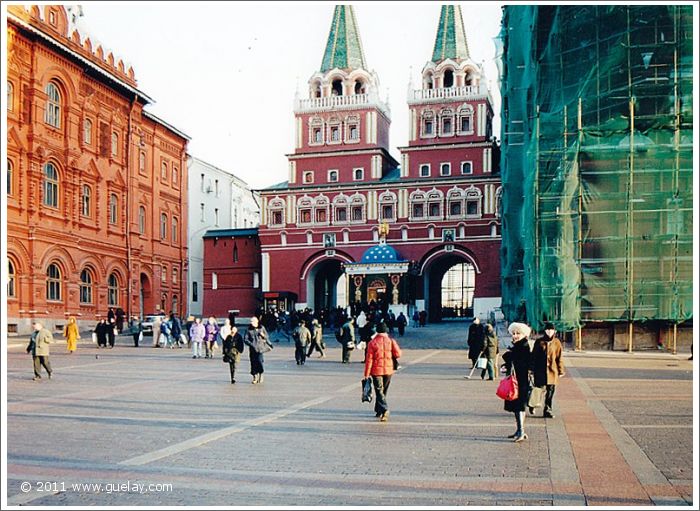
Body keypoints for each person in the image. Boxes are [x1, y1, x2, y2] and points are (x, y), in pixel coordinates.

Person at [363, 322, 402, 422]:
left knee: (379, 391)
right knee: (383, 391)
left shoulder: (372, 342)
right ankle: (378, 410)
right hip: (389, 370)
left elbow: (369, 360)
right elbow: (398, 354)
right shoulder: (391, 341)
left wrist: (366, 374)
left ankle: (384, 409)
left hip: (376, 371)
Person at [501, 322, 533, 442]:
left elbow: (523, 364)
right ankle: (519, 430)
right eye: (513, 333)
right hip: (515, 380)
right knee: (515, 406)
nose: (515, 335)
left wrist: (510, 357)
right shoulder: (517, 346)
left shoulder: (523, 347)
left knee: (519, 406)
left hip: (521, 381)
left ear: (524, 334)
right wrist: (506, 364)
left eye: (517, 333)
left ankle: (522, 430)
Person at [531, 322, 565, 419]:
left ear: (554, 331)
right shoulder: (539, 342)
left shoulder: (557, 343)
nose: (549, 332)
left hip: (552, 371)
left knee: (550, 391)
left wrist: (560, 370)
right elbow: (534, 356)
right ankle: (533, 404)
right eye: (548, 330)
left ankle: (547, 409)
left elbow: (559, 357)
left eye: (551, 330)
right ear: (545, 331)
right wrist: (531, 368)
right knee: (538, 390)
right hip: (540, 370)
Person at [244, 316, 273, 384]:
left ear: (257, 322)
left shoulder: (261, 328)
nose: (251, 323)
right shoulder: (248, 329)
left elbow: (267, 336)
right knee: (253, 363)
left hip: (260, 349)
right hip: (253, 349)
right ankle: (255, 376)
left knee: (260, 362)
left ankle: (261, 374)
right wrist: (252, 344)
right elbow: (245, 339)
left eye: (253, 321)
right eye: (251, 322)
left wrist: (263, 335)